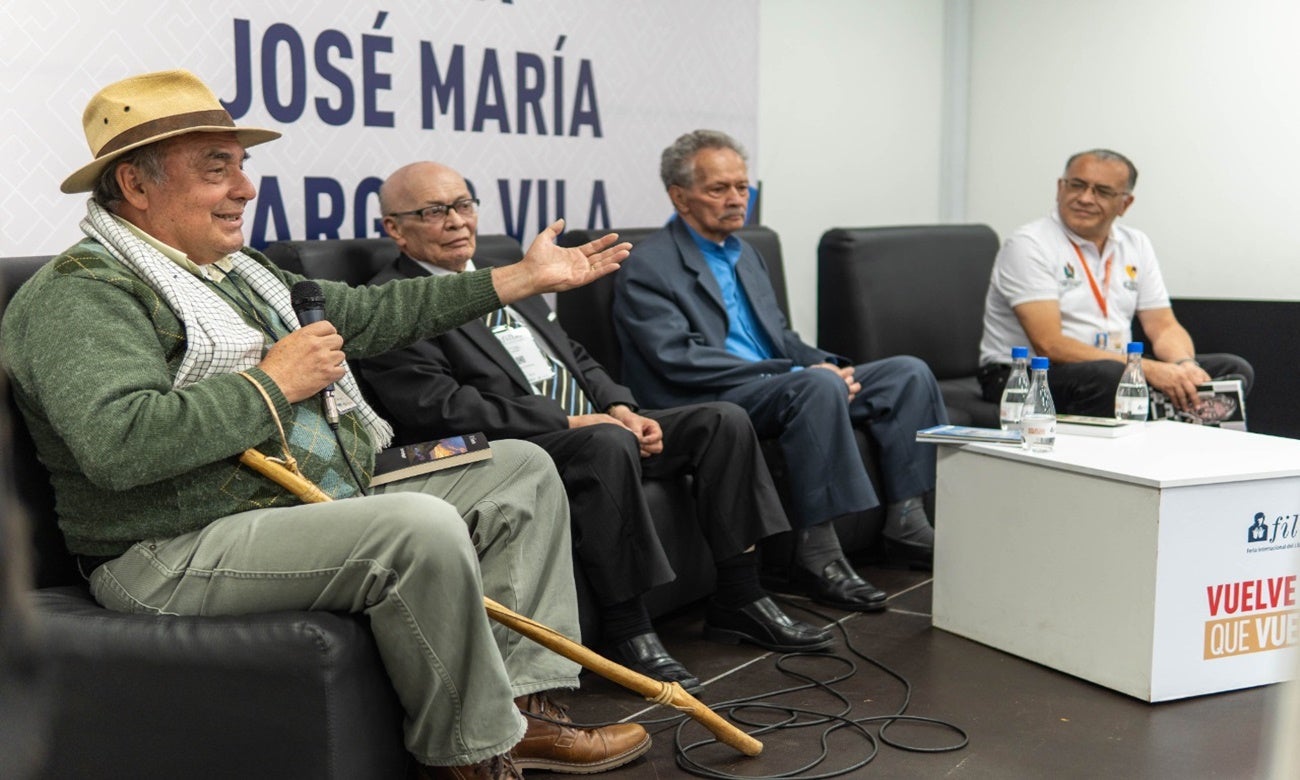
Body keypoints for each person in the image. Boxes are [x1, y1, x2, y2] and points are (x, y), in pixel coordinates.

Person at [0, 69, 649, 780]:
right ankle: (474, 754)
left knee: (520, 468)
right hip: (165, 550)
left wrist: (518, 280)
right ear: (135, 184)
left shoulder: (238, 272)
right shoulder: (82, 294)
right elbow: (118, 445)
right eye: (218, 170)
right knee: (415, 527)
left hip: (292, 501)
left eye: (242, 167)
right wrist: (272, 383)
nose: (246, 189)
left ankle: (528, 715)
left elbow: (375, 315)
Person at [356, 162, 835, 693]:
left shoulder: (503, 272)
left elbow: (575, 359)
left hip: (591, 420)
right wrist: (569, 418)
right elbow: (440, 409)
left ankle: (741, 597)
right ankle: (629, 628)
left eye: (463, 205)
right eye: (433, 212)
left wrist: (623, 407)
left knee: (722, 420)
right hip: (510, 444)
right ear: (395, 229)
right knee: (603, 442)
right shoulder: (390, 305)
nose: (456, 222)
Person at [610, 130, 948, 610]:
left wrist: (825, 365)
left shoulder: (746, 254)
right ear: (679, 196)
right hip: (709, 396)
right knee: (813, 387)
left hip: (776, 383)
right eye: (718, 189)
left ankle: (907, 523)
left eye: (742, 188)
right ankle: (817, 554)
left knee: (907, 373)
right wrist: (794, 374)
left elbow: (781, 336)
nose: (735, 199)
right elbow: (676, 358)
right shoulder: (648, 265)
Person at [977, 148, 1254, 418]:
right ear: (1060, 188)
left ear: (1125, 203)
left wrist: (1184, 365)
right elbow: (1050, 345)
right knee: (1109, 377)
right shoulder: (1030, 244)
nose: (1085, 198)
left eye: (1102, 191)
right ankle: (1151, 420)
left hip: (1116, 368)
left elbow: (1163, 326)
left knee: (1231, 368)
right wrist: (1147, 370)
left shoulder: (1136, 244)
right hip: (1024, 375)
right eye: (1077, 185)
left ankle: (1167, 432)